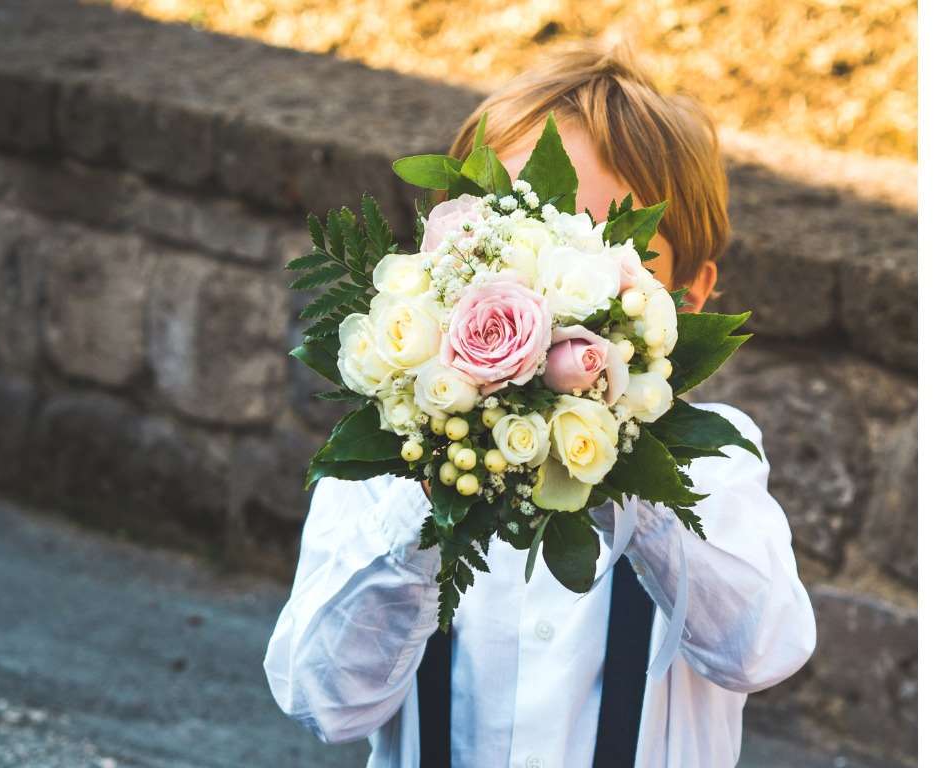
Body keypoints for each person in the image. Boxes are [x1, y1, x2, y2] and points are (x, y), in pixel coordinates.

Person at [264, 43, 816, 768]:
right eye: (523, 235)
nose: (548, 298)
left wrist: (635, 472)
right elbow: (323, 701)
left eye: (604, 248)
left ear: (687, 297)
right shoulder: (389, 448)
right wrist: (424, 502)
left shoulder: (714, 459)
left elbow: (765, 649)